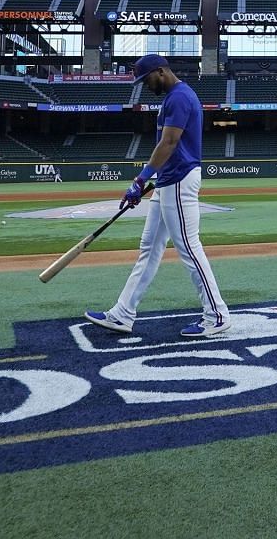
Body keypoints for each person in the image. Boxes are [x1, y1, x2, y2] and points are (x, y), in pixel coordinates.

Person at [85, 54, 231, 338]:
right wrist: (152, 181)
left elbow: (170, 142)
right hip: (168, 180)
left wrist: (141, 180)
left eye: (146, 79)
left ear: (161, 72)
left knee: (189, 247)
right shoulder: (173, 97)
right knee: (149, 249)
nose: (145, 85)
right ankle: (122, 314)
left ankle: (217, 315)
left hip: (179, 180)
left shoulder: (179, 97)